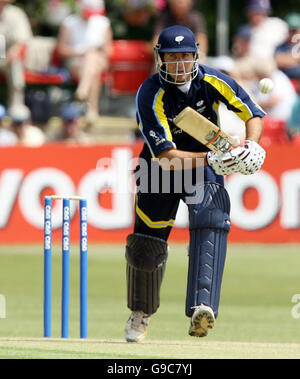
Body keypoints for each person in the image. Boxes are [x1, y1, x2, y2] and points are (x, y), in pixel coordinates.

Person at [124, 25, 266, 343]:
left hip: (204, 167)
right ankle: (141, 312)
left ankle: (203, 306)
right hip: (160, 170)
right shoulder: (150, 93)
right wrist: (212, 160)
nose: (178, 64)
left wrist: (253, 146)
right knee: (147, 244)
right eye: (171, 57)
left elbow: (252, 112)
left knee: (212, 219)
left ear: (195, 56)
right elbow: (165, 156)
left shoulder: (213, 79)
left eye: (185, 56)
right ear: (160, 59)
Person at [56, 0, 113, 120]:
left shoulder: (103, 23)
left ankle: (82, 90)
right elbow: (61, 49)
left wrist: (92, 51)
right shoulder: (69, 22)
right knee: (93, 68)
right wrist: (82, 51)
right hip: (76, 62)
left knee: (92, 58)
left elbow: (108, 51)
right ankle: (92, 110)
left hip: (98, 60)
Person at [0, 0, 33, 107]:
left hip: (8, 59)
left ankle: (16, 108)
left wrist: (10, 56)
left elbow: (21, 43)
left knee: (15, 64)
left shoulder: (15, 14)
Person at [274, 13, 300, 81]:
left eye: (295, 30)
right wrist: (297, 59)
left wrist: (288, 59)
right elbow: (277, 61)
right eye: (290, 30)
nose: (292, 33)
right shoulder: (281, 46)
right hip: (286, 83)